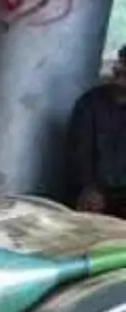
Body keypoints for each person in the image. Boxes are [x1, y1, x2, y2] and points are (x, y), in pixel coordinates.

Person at [68, 46, 126, 216]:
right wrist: (89, 187)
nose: (121, 68)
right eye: (121, 62)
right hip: (93, 191)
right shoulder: (90, 102)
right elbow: (79, 152)